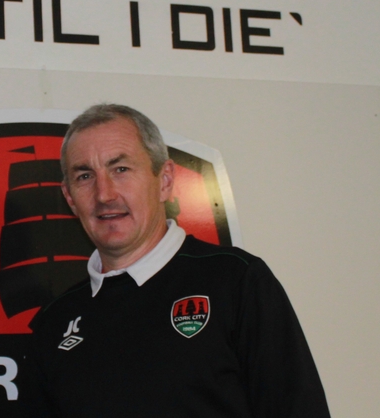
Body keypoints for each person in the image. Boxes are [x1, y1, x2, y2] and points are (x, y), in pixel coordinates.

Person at [25, 104, 330, 417]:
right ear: (69, 197)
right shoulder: (54, 323)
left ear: (165, 180)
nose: (104, 194)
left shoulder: (236, 282)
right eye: (85, 176)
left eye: (121, 169)